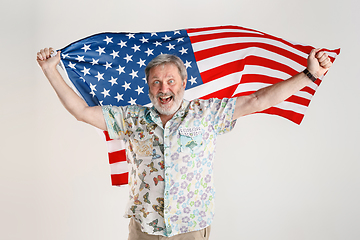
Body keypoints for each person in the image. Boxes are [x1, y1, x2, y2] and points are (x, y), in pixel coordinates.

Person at [37, 47, 332, 240]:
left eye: (170, 81)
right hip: (144, 229)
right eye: (156, 82)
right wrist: (51, 69)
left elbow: (258, 100)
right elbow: (81, 112)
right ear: (148, 86)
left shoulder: (207, 114)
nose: (164, 89)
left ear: (183, 83)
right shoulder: (132, 118)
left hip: (190, 229)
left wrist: (309, 75)